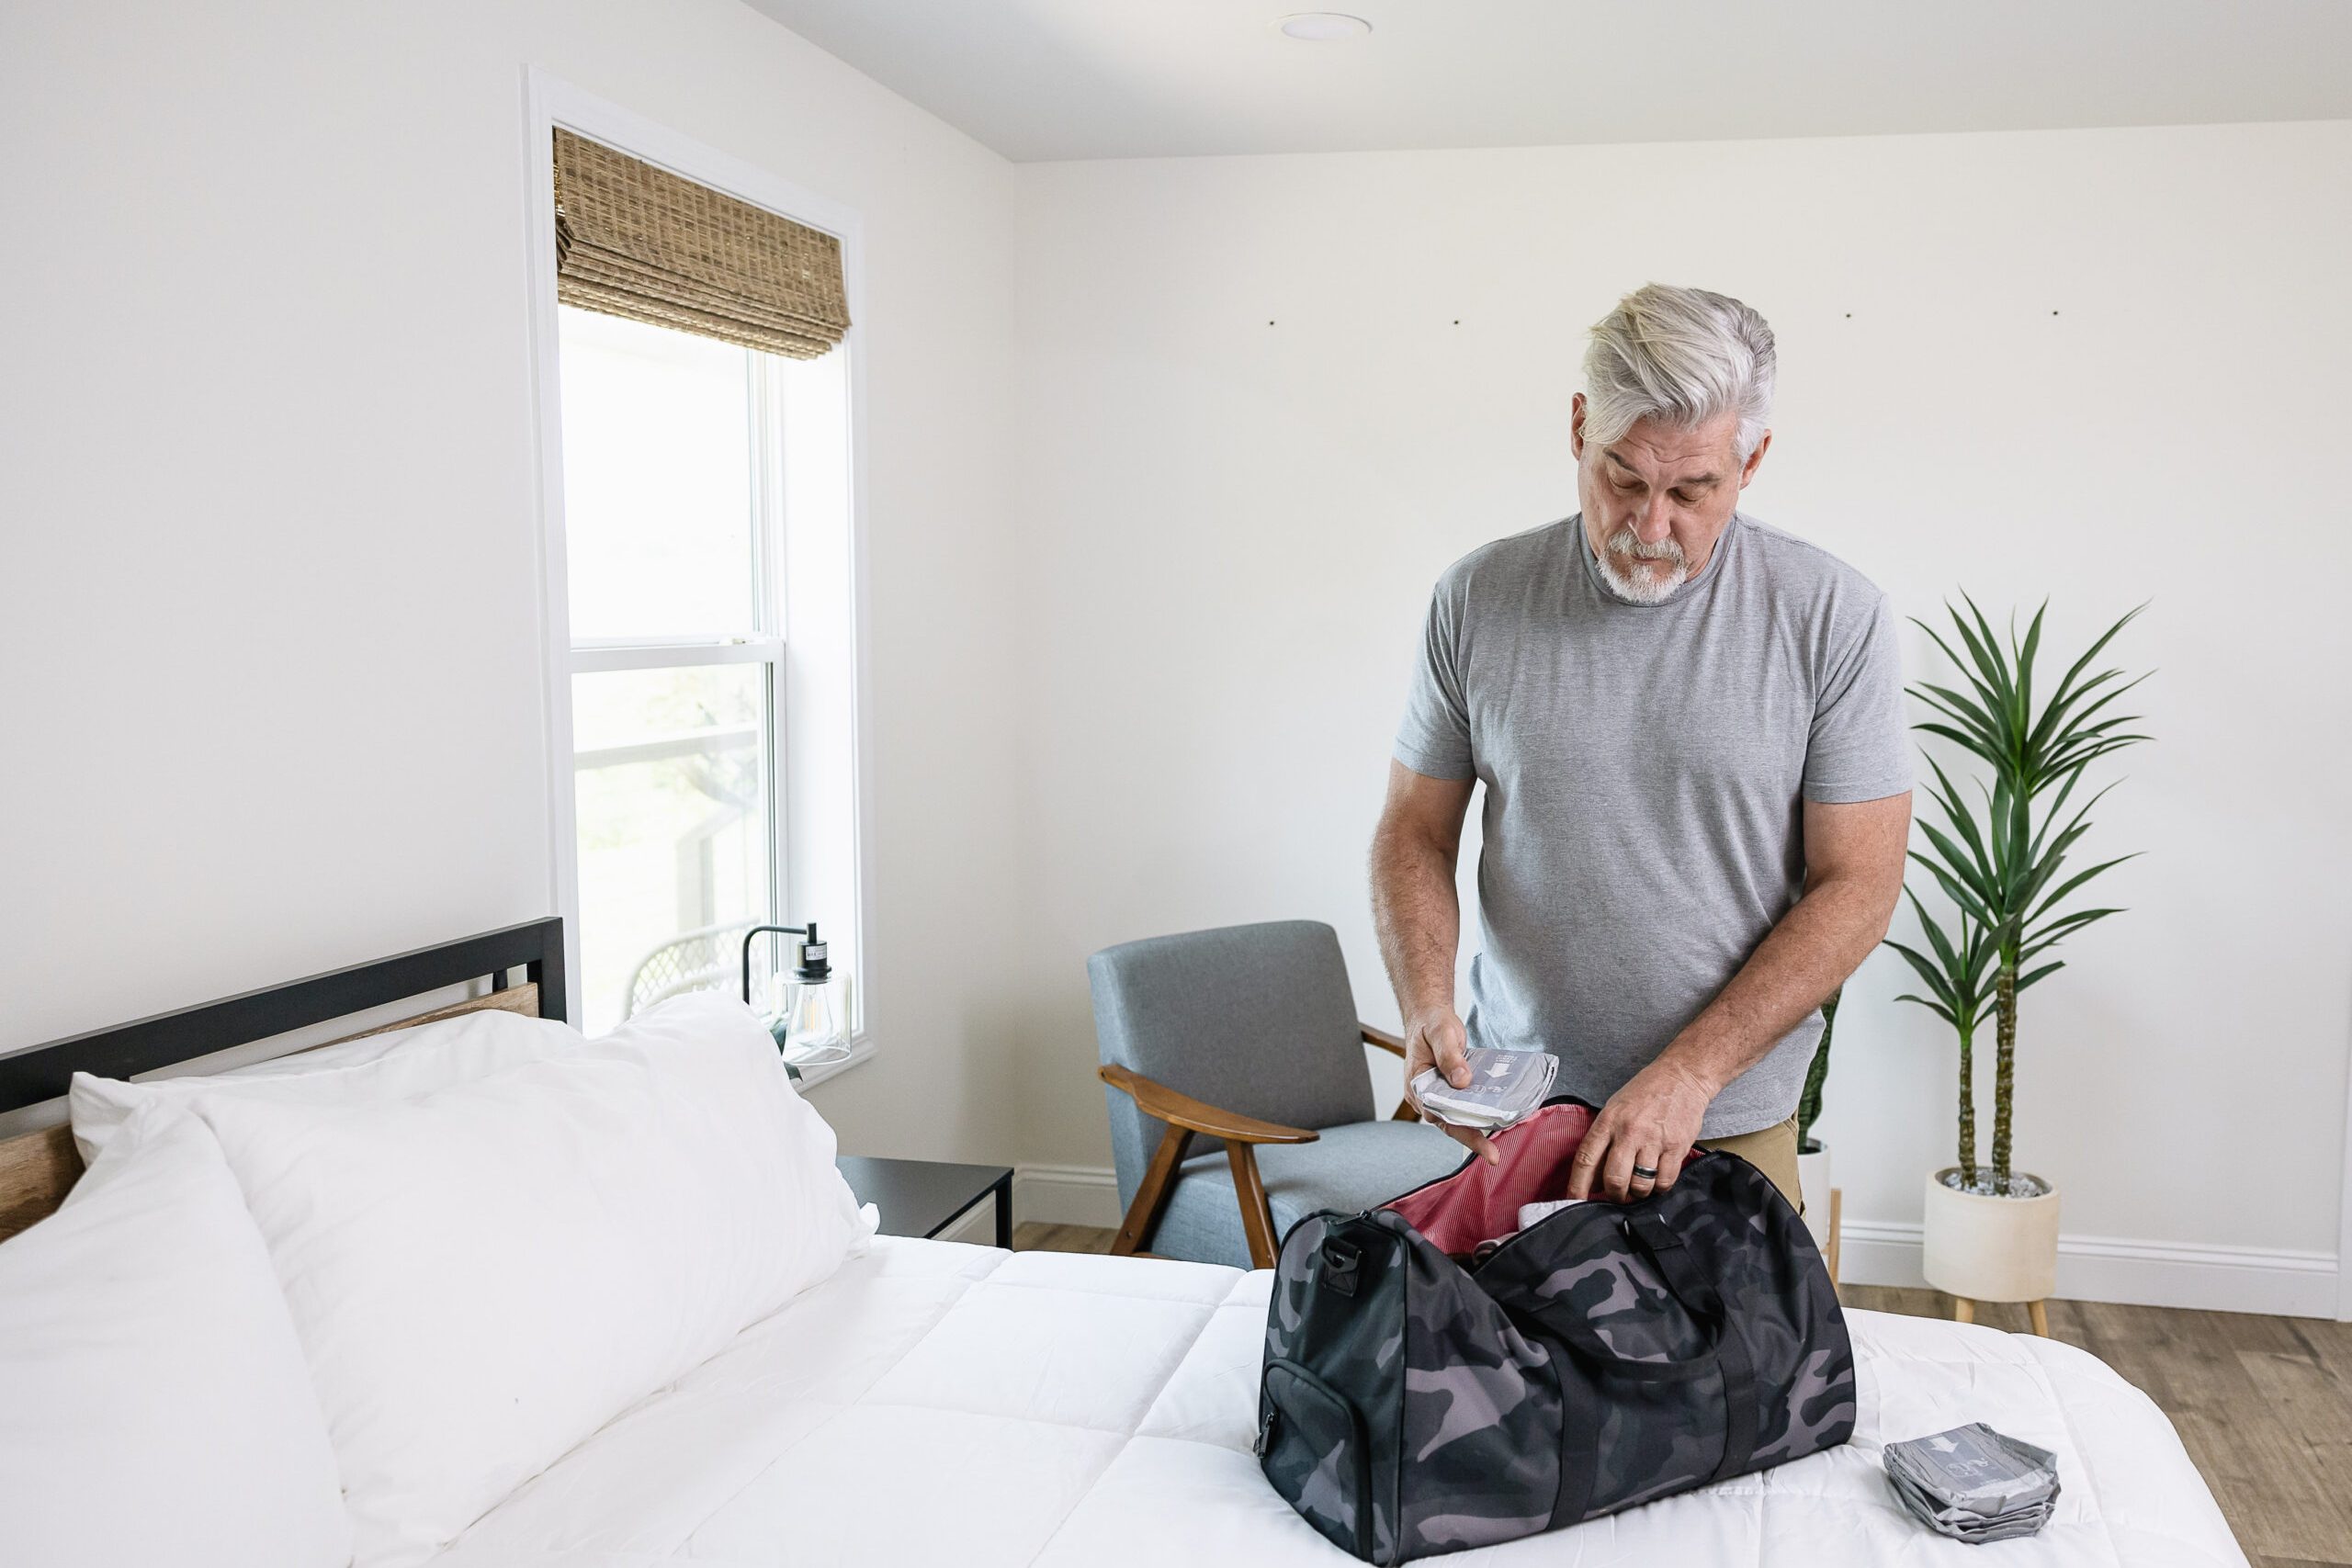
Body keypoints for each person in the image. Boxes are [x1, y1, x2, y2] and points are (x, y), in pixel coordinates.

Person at [1370, 282, 1912, 1211]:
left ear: (1754, 460)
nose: (1649, 529)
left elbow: (1859, 883)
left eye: (1691, 491)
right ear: (1579, 427)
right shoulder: (1476, 598)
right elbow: (1415, 829)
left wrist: (1689, 1075)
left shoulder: (1833, 617)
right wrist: (1425, 1004)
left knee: (1740, 1364)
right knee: (1492, 1355)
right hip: (1511, 1115)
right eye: (1622, 477)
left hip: (1723, 1122)